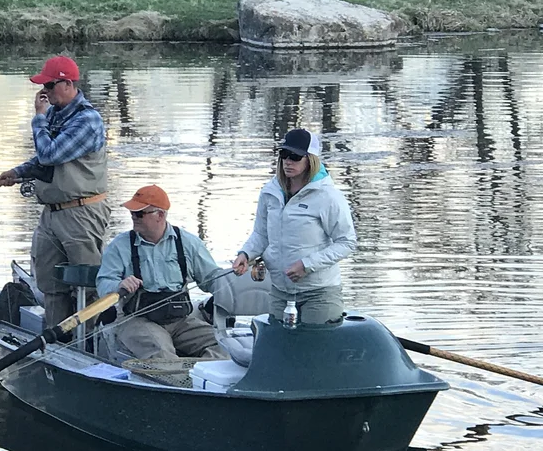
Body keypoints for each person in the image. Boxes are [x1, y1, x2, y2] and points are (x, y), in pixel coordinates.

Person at [0, 56, 111, 328]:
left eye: (49, 84)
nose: (43, 90)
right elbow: (45, 161)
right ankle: (60, 342)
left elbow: (49, 154)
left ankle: (91, 343)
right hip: (52, 213)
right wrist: (18, 172)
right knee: (49, 283)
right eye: (42, 84)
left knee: (87, 284)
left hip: (82, 213)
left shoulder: (87, 120)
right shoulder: (56, 115)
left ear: (67, 83)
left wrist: (38, 118)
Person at [232, 128, 357, 324]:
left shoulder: (328, 196)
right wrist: (246, 254)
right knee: (279, 349)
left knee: (314, 351)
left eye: (295, 156)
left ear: (311, 160)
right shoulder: (270, 192)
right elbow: (262, 234)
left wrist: (307, 265)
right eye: (283, 154)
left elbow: (346, 242)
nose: (288, 161)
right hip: (280, 292)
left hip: (319, 293)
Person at [96, 185, 228, 361]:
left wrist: (234, 282)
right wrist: (118, 286)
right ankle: (178, 378)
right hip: (136, 320)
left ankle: (195, 377)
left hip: (181, 320)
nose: (133, 217)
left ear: (160, 215)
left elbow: (212, 280)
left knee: (224, 346)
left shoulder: (189, 243)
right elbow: (103, 282)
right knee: (162, 353)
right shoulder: (119, 246)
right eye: (132, 213)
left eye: (139, 213)